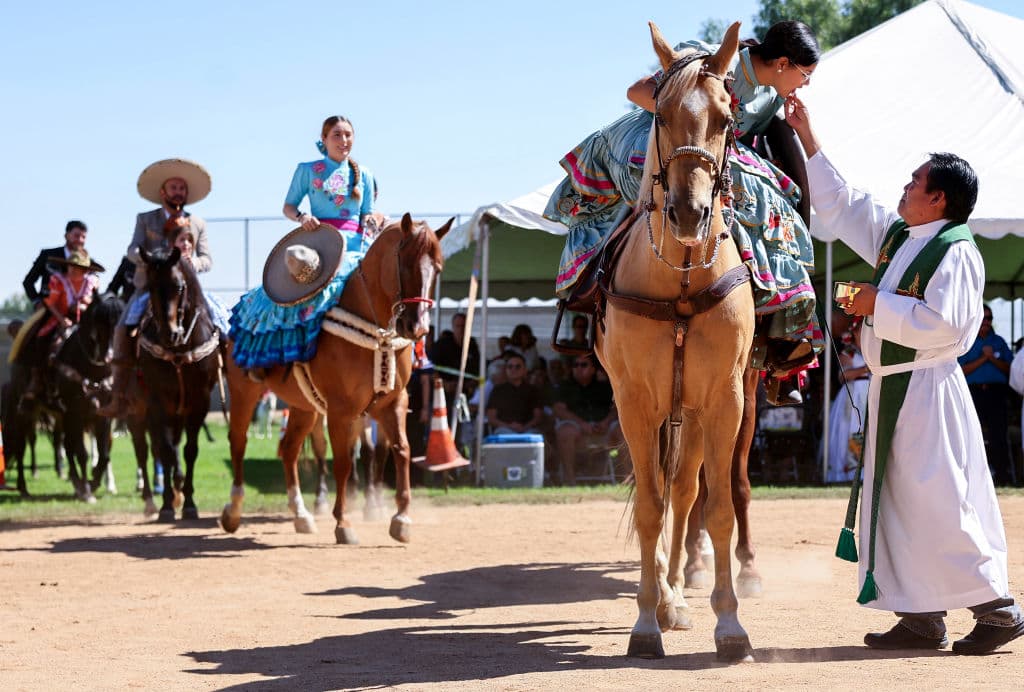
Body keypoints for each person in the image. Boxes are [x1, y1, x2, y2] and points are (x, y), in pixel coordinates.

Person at [787, 95, 1024, 654]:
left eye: (915, 181)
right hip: (895, 385)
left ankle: (998, 609)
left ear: (937, 197)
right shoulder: (900, 239)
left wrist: (876, 305)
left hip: (928, 388)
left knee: (939, 499)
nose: (905, 186)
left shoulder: (956, 250)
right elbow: (845, 205)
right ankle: (920, 615)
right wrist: (808, 137)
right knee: (897, 500)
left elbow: (947, 326)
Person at [544, 21, 822, 402]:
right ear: (783, 63)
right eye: (805, 74)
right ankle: (591, 290)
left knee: (775, 197)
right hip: (656, 140)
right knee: (717, 183)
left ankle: (775, 323)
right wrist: (689, 108)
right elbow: (636, 90)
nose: (805, 83)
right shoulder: (701, 54)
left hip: (713, 159)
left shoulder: (771, 100)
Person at [229, 115, 380, 373]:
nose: (343, 140)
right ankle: (289, 355)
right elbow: (288, 206)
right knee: (300, 287)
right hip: (322, 243)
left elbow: (367, 211)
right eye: (337, 135)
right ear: (324, 139)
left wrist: (372, 221)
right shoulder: (308, 170)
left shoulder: (364, 173)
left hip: (358, 245)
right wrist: (302, 218)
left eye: (348, 135)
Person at [98, 158, 213, 418]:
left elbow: (207, 259)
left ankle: (228, 375)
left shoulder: (198, 223)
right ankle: (118, 393)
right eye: (173, 187)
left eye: (182, 188)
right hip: (149, 288)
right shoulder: (145, 219)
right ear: (163, 192)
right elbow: (132, 249)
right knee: (124, 325)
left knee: (221, 323)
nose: (178, 192)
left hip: (184, 290)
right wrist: (149, 260)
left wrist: (189, 263)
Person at [20, 250, 105, 408]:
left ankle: (102, 380)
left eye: (77, 267)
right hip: (59, 317)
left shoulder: (91, 283)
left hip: (84, 321)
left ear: (85, 270)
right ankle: (38, 377)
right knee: (42, 337)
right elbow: (51, 303)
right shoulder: (58, 280)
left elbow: (92, 302)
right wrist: (62, 319)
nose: (73, 270)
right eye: (70, 266)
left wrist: (83, 306)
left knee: (101, 340)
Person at [959, 305, 1015, 485]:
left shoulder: (999, 341)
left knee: (998, 434)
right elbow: (960, 370)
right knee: (969, 434)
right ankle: (971, 477)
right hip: (972, 392)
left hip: (996, 393)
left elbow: (1010, 369)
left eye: (989, 319)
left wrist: (992, 358)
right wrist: (984, 358)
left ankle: (1002, 475)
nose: (986, 322)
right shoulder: (966, 341)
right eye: (983, 318)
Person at [553, 353, 621, 486]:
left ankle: (626, 479)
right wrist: (582, 424)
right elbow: (558, 409)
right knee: (565, 431)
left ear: (593, 369)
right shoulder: (565, 386)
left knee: (625, 430)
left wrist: (606, 422)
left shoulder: (605, 387)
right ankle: (569, 479)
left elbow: (617, 408)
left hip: (604, 429)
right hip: (577, 429)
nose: (579, 368)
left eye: (583, 365)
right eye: (575, 365)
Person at [824, 319, 868, 483]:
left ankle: (866, 469)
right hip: (853, 393)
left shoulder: (872, 352)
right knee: (852, 428)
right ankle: (850, 469)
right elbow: (843, 375)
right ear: (854, 333)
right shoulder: (848, 353)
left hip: (869, 393)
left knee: (867, 429)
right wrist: (865, 369)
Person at [23, 220, 88, 310]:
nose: (80, 240)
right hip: (48, 308)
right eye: (76, 236)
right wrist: (37, 302)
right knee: (33, 324)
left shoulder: (89, 264)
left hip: (78, 310)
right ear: (66, 236)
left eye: (83, 237)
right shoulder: (48, 255)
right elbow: (28, 282)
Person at [485, 351, 542, 435]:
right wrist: (509, 426)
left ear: (525, 370)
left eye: (517, 367)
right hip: (504, 430)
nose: (513, 369)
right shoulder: (497, 390)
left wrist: (524, 428)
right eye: (510, 367)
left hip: (528, 431)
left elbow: (538, 417)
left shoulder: (533, 390)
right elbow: (491, 418)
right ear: (506, 370)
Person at [429, 312, 480, 402]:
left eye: (463, 326)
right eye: (458, 326)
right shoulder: (442, 344)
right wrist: (444, 384)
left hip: (466, 393)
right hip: (443, 393)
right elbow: (430, 368)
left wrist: (472, 383)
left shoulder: (472, 344)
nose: (461, 329)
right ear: (453, 327)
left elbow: (478, 370)